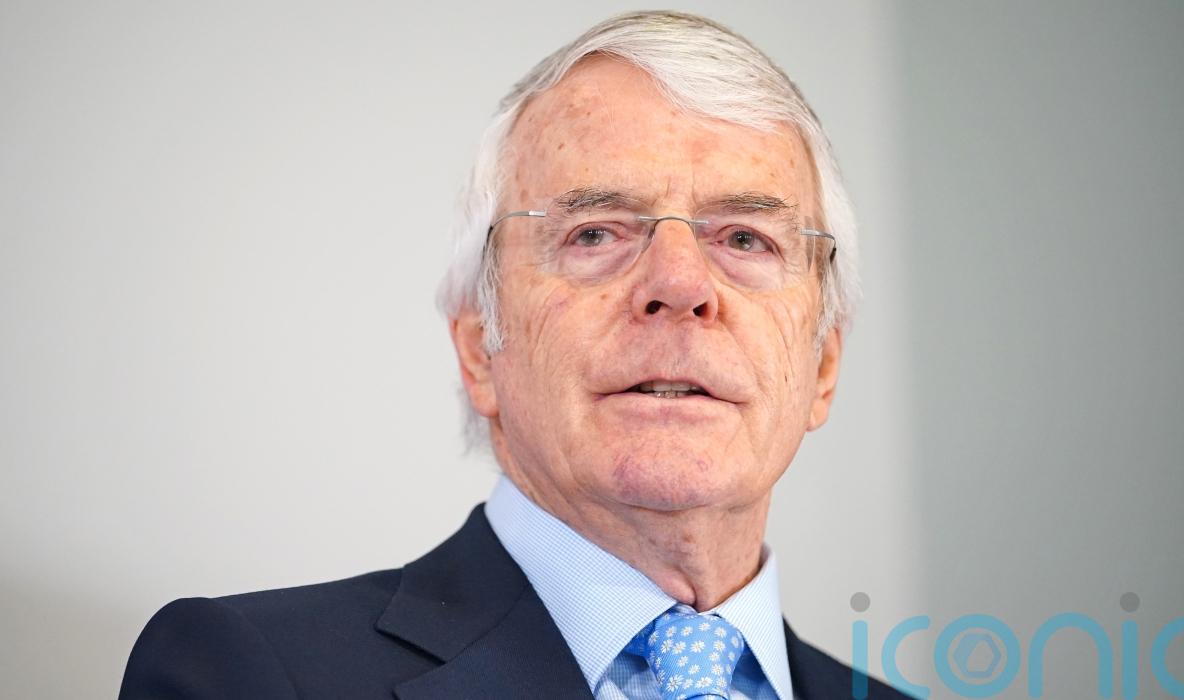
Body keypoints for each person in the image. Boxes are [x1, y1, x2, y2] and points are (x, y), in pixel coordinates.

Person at [119, 11, 909, 699]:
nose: (679, 284)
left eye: (745, 238)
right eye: (595, 233)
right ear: (479, 349)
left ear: (823, 364)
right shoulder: (248, 674)